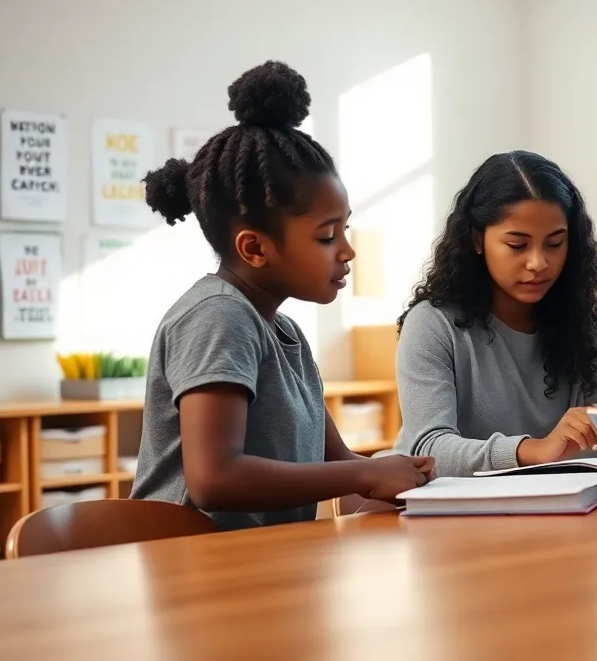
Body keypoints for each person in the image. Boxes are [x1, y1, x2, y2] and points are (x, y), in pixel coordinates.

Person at [131, 60, 433, 530]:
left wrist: (405, 477)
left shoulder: (284, 332)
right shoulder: (218, 317)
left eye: (345, 229)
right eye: (327, 236)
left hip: (264, 560)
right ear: (254, 248)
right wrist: (368, 473)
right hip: (189, 562)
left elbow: (338, 463)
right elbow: (214, 478)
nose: (348, 250)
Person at [390, 151, 597, 477]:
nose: (538, 263)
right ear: (477, 239)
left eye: (555, 244)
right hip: (442, 502)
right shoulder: (433, 323)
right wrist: (536, 449)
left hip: (550, 499)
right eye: (518, 245)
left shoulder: (586, 323)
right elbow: (430, 450)